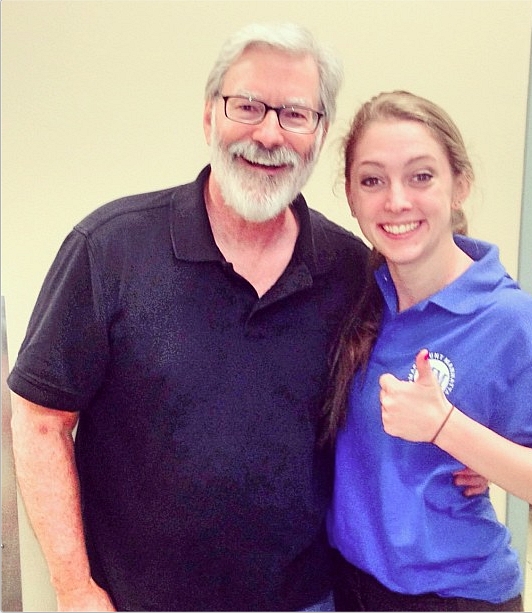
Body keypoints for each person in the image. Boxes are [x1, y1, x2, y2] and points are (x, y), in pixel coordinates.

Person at [7, 22, 372, 612]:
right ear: (209, 116)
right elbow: (40, 419)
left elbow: (385, 407)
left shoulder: (349, 270)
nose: (269, 133)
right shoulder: (110, 249)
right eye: (247, 106)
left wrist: (459, 455)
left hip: (305, 600)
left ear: (320, 132)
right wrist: (74, 588)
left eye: (296, 114)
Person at [319, 90, 532, 612]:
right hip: (349, 585)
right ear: (350, 194)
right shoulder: (357, 295)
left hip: (453, 597)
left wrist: (447, 427)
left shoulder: (513, 323)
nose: (397, 200)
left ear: (461, 185)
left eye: (421, 176)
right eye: (372, 180)